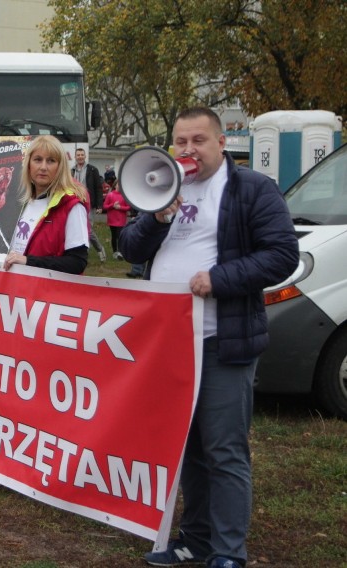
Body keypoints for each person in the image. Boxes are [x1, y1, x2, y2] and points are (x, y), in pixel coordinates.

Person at [119, 107, 299, 568]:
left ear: (222, 142)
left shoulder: (251, 190)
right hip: (170, 342)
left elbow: (281, 255)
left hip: (222, 339)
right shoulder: (163, 186)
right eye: (180, 141)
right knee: (188, 447)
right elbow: (130, 249)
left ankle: (228, 551)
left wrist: (220, 279)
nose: (187, 150)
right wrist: (156, 220)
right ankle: (194, 540)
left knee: (223, 447)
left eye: (198, 140)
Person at [2, 135, 89, 275]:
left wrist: (28, 262)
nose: (43, 167)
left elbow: (77, 263)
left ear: (60, 167)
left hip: (49, 294)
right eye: (37, 160)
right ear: (29, 164)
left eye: (51, 161)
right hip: (15, 290)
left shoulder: (72, 206)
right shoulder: (19, 202)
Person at [71, 148, 107, 262]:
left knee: (88, 229)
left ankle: (100, 249)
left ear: (85, 156)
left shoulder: (92, 170)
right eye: (78, 155)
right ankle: (82, 253)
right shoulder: (71, 171)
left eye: (82, 154)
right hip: (75, 203)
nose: (80, 156)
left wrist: (100, 206)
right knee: (77, 229)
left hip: (89, 203)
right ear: (75, 157)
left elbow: (98, 188)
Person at [101, 179, 130, 260]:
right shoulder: (110, 195)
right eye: (118, 184)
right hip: (112, 219)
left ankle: (120, 252)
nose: (119, 186)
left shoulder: (124, 196)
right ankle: (115, 251)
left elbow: (128, 207)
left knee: (120, 235)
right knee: (114, 236)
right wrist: (112, 205)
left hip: (121, 220)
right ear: (115, 185)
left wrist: (120, 207)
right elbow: (105, 206)